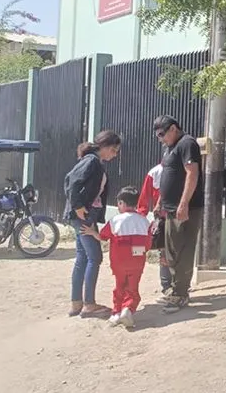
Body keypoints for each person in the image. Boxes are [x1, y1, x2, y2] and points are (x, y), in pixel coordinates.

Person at [63, 130, 121, 318]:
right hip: (84, 215)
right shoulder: (92, 161)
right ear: (104, 146)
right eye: (113, 150)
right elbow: (71, 182)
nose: (114, 155)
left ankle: (77, 303)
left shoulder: (94, 162)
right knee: (95, 257)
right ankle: (89, 304)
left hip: (85, 214)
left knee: (83, 256)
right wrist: (78, 206)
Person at [153, 115, 204, 313]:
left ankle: (180, 293)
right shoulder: (170, 148)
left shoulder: (187, 143)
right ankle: (176, 289)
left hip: (186, 209)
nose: (160, 139)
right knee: (171, 251)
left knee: (183, 251)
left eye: (162, 134)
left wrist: (184, 204)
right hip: (170, 209)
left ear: (173, 129)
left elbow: (192, 174)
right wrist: (160, 201)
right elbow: (169, 176)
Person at [80, 187, 150, 329]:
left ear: (122, 203)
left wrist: (92, 232)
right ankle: (128, 309)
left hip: (119, 261)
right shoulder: (144, 221)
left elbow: (103, 237)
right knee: (132, 288)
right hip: (137, 260)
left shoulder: (115, 220)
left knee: (119, 286)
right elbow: (148, 244)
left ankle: (116, 313)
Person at [138, 163, 172, 295]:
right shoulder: (155, 172)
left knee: (179, 251)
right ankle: (166, 285)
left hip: (180, 215)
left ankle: (178, 283)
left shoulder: (184, 168)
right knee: (164, 251)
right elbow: (145, 195)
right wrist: (141, 216)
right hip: (163, 218)